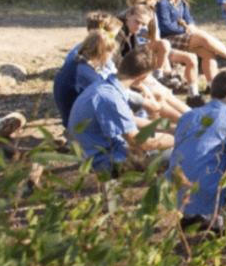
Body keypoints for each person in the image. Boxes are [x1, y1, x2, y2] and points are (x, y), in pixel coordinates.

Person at [168, 69, 226, 235]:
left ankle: (191, 215)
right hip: (206, 188)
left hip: (175, 187)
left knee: (195, 161)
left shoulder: (188, 115)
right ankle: (219, 221)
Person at [68, 46, 175, 176]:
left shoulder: (105, 87)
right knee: (183, 154)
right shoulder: (111, 97)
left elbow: (131, 121)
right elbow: (140, 142)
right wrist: (180, 138)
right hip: (102, 161)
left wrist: (170, 130)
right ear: (142, 77)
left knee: (171, 143)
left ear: (120, 64)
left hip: (99, 151)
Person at [54, 12, 121, 129]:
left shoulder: (85, 61)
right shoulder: (83, 71)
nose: (111, 57)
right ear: (103, 51)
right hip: (83, 128)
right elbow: (105, 101)